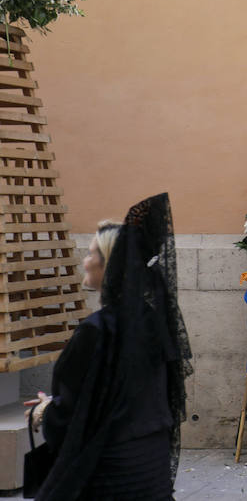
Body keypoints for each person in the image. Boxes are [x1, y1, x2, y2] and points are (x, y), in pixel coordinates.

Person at [25, 193, 193, 501]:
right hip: (151, 470)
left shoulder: (96, 330)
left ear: (109, 267)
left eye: (91, 254)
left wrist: (44, 411)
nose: (85, 260)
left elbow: (74, 414)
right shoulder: (153, 323)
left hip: (110, 476)